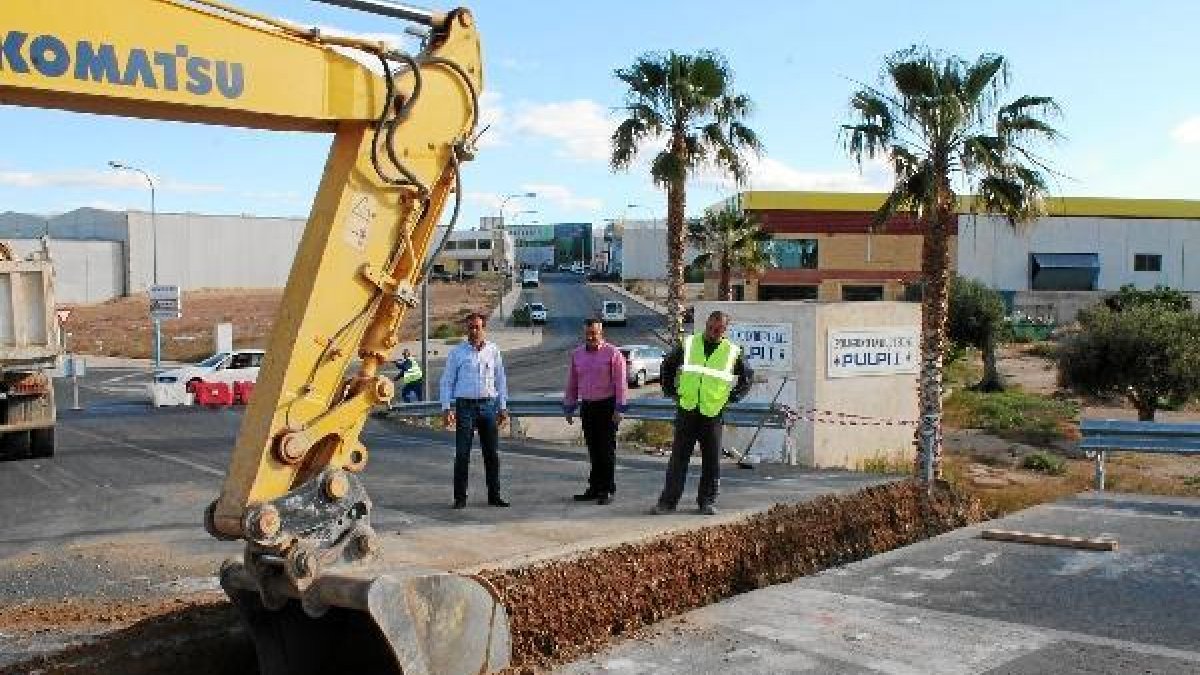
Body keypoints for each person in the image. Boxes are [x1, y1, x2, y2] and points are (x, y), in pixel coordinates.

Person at [653, 310, 753, 516]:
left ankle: (706, 501)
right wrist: (671, 391)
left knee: (711, 461)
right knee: (678, 459)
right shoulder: (689, 344)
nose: (713, 332)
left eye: (718, 329)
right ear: (706, 325)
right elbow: (667, 366)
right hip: (687, 410)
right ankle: (668, 502)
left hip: (712, 413)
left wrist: (732, 397)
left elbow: (747, 376)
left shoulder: (732, 352)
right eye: (710, 328)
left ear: (725, 330)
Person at [439, 312, 510, 509]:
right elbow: (447, 382)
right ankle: (460, 498)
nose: (473, 331)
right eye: (470, 327)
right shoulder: (457, 353)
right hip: (465, 408)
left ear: (484, 329)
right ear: (466, 329)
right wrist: (446, 408)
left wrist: (503, 407)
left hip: (488, 406)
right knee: (462, 454)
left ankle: (494, 496)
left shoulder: (493, 351)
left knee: (492, 454)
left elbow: (500, 379)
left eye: (477, 327)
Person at [562, 318, 628, 505]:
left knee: (606, 450)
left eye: (595, 333)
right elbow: (572, 383)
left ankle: (607, 489)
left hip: (607, 407)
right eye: (588, 333)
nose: (591, 336)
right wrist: (569, 406)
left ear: (601, 333)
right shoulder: (577, 355)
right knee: (593, 450)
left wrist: (619, 408)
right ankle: (594, 488)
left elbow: (621, 384)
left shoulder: (613, 354)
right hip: (588, 407)